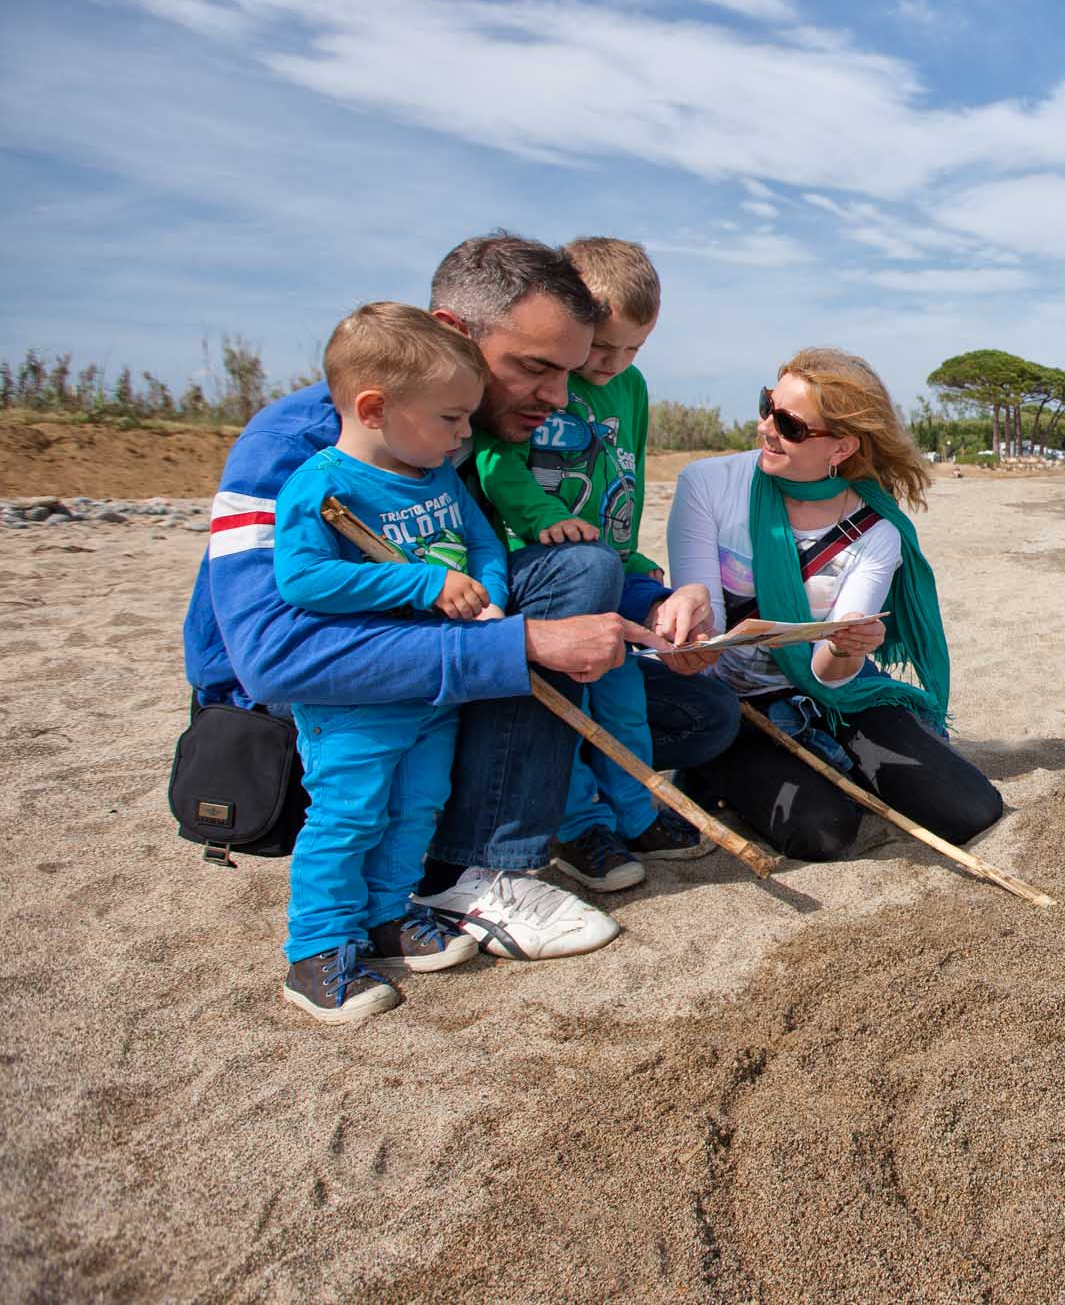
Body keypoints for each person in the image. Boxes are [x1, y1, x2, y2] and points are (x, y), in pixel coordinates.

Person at [179, 232, 741, 962]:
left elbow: (535, 564)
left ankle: (542, 815)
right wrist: (522, 644)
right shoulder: (299, 444)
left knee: (702, 712)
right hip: (307, 712)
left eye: (572, 372)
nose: (559, 399)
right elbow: (274, 660)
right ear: (453, 333)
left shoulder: (473, 437)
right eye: (535, 368)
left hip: (444, 659)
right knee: (561, 614)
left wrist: (655, 603)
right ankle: (471, 868)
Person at [669, 348, 1003, 859]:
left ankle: (820, 753)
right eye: (766, 406)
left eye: (789, 425)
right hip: (731, 699)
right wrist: (693, 641)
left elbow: (829, 675)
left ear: (841, 446)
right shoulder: (710, 485)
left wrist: (848, 646)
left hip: (829, 695)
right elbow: (705, 624)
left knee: (969, 810)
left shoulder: (877, 531)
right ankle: (718, 763)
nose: (765, 427)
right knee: (823, 834)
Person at [270, 305, 508, 1022]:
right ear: (374, 408)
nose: (465, 434)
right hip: (358, 702)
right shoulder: (322, 487)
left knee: (416, 805)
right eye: (451, 418)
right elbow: (304, 581)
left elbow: (483, 545)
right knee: (348, 815)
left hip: (433, 689)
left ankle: (385, 916)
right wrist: (423, 582)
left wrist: (487, 594)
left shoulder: (438, 476)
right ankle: (315, 949)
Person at [472, 237, 710, 895]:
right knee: (566, 705)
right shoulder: (545, 380)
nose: (613, 363)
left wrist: (634, 558)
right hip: (548, 569)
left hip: (612, 566)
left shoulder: (630, 387)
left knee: (625, 697)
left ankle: (639, 814)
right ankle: (579, 826)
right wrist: (542, 517)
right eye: (602, 347)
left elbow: (622, 474)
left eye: (634, 348)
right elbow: (495, 461)